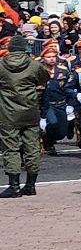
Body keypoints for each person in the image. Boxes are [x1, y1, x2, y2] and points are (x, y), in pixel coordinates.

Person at [0, 34, 49, 197]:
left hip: (8, 112)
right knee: (32, 148)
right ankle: (30, 185)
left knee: (11, 149)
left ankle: (14, 186)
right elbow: (44, 78)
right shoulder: (34, 65)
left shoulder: (1, 65)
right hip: (30, 111)